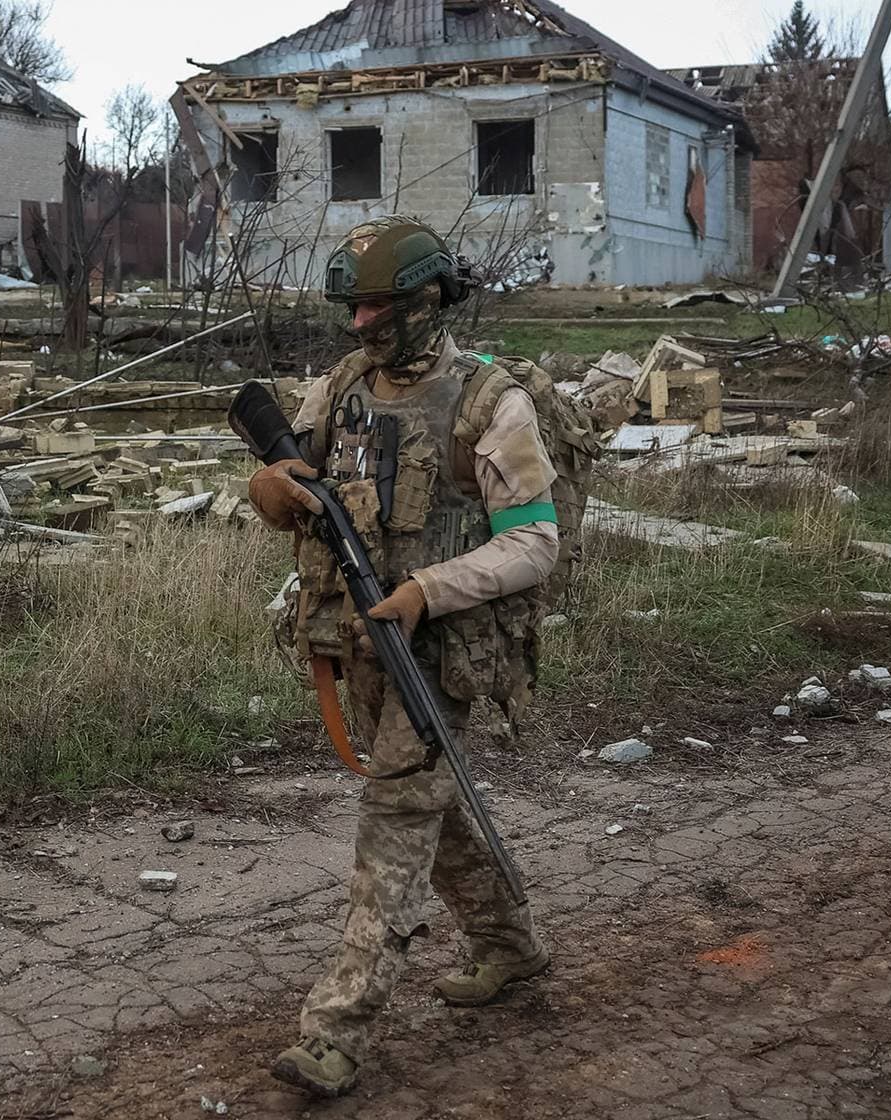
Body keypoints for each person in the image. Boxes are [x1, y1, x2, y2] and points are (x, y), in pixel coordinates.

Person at [248, 216, 559, 1098]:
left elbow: (535, 542)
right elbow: (291, 478)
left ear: (428, 301)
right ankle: (511, 946)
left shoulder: (490, 404)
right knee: (427, 801)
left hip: (444, 649)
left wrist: (429, 589)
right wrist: (268, 487)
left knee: (394, 815)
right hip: (358, 637)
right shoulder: (343, 385)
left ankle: (336, 1033)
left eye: (379, 305)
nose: (361, 324)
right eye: (356, 306)